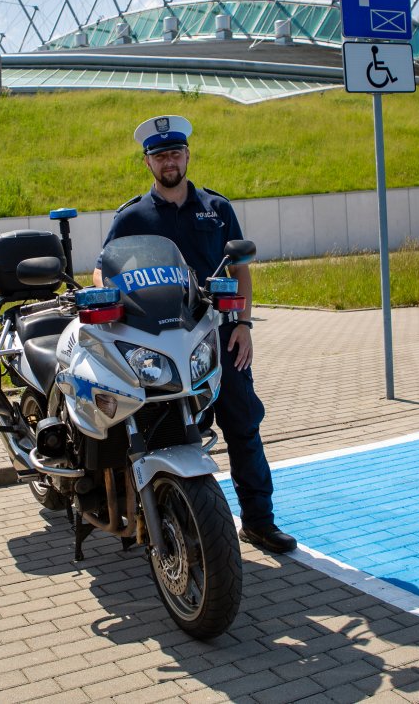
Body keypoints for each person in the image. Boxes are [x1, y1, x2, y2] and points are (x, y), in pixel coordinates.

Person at [92, 114, 297, 554]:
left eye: (175, 152)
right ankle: (169, 524)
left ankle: (259, 522)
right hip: (160, 343)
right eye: (160, 154)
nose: (169, 161)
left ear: (187, 155)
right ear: (148, 162)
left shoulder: (217, 209)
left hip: (219, 337)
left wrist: (243, 323)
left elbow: (239, 269)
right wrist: (105, 297)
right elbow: (103, 265)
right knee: (163, 432)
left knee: (243, 425)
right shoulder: (133, 217)